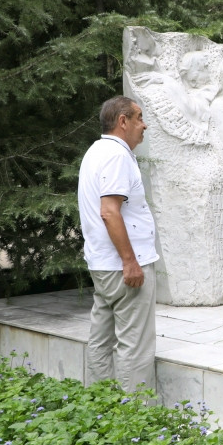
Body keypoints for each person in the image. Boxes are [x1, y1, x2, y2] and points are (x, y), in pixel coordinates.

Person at [77, 96, 160, 394]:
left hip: (103, 266)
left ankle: (100, 409)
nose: (144, 124)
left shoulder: (96, 151)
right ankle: (135, 421)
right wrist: (130, 261)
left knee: (100, 339)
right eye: (139, 117)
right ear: (122, 122)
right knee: (135, 346)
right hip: (123, 269)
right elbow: (109, 211)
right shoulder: (116, 156)